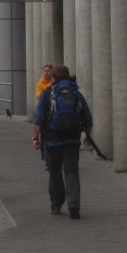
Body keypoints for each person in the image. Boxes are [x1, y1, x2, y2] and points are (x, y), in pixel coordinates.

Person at [31, 64, 93, 220]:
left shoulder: (46, 94)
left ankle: (56, 204)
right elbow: (87, 119)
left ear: (53, 78)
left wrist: (35, 138)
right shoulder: (76, 94)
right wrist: (88, 137)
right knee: (72, 172)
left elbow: (38, 119)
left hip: (52, 140)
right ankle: (74, 206)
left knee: (54, 171)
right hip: (72, 139)